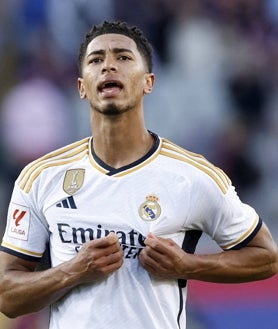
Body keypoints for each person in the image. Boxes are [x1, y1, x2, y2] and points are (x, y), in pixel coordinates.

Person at [0, 20, 277, 329]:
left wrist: (189, 265)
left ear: (149, 82)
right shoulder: (41, 177)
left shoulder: (193, 176)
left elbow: (266, 257)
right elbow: (7, 296)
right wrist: (74, 270)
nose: (108, 67)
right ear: (81, 87)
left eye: (123, 57)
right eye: (96, 60)